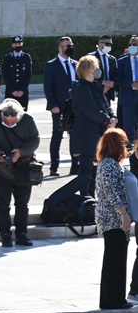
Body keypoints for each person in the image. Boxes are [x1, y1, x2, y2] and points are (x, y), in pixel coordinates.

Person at [48, 57, 117, 207]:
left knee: (93, 170)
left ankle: (90, 200)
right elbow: (91, 110)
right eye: (95, 66)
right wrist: (107, 120)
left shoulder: (94, 86)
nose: (98, 69)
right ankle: (84, 200)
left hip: (96, 133)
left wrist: (113, 117)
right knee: (85, 171)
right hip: (86, 134)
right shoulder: (81, 88)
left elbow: (105, 105)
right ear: (87, 70)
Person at [0, 99, 40, 247]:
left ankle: (22, 234)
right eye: (7, 122)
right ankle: (5, 235)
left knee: (22, 205)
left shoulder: (28, 120)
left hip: (24, 170)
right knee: (2, 205)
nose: (10, 125)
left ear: (19, 116)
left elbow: (35, 140)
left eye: (13, 122)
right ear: (2, 116)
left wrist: (21, 152)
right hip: (2, 172)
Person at [94, 129, 134, 310]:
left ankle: (115, 299)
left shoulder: (108, 163)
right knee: (114, 259)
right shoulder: (109, 165)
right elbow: (111, 192)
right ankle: (113, 300)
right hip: (113, 218)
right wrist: (123, 213)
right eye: (123, 144)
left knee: (116, 259)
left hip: (114, 218)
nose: (125, 147)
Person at [44, 37, 78, 177]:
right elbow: (48, 87)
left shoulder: (75, 64)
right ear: (60, 48)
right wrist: (53, 105)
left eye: (71, 45)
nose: (70, 47)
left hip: (75, 107)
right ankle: (54, 166)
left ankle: (75, 165)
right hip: (59, 107)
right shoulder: (51, 65)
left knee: (75, 137)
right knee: (57, 136)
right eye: (67, 45)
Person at [2, 35, 32, 111]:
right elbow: (6, 75)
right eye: (15, 44)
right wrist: (12, 90)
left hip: (23, 92)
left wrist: (22, 90)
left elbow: (28, 75)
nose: (17, 46)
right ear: (12, 45)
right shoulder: (8, 58)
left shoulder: (26, 57)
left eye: (19, 44)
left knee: (22, 115)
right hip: (11, 92)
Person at [91, 34, 118, 106]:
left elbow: (115, 74)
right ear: (100, 44)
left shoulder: (112, 59)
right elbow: (89, 74)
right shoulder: (91, 57)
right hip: (95, 91)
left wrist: (110, 84)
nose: (109, 46)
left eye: (110, 44)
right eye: (107, 44)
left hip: (108, 92)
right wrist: (102, 83)